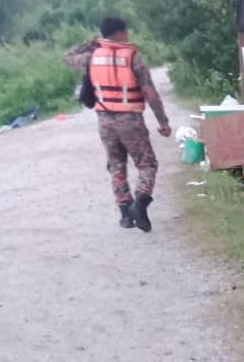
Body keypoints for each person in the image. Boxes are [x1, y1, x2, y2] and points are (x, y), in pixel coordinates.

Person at [64, 18, 172, 231]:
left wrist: (90, 43)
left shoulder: (91, 57)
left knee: (116, 165)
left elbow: (67, 57)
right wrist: (163, 121)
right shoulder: (133, 58)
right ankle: (140, 202)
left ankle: (125, 213)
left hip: (105, 121)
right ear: (121, 33)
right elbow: (150, 93)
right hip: (131, 120)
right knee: (147, 164)